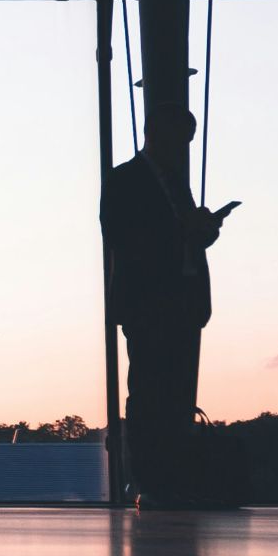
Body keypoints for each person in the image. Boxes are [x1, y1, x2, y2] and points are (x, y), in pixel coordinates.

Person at [101, 102, 225, 508]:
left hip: (177, 302)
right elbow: (121, 235)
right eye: (182, 138)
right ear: (158, 132)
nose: (185, 147)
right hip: (151, 304)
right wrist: (185, 231)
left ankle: (165, 480)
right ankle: (152, 482)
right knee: (151, 392)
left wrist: (200, 232)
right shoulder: (125, 180)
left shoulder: (166, 182)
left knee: (169, 394)